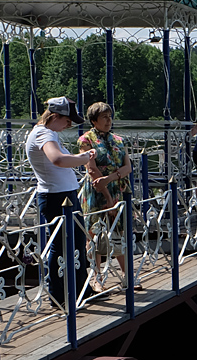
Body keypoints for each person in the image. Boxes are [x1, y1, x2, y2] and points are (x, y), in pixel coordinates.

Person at [25, 96, 95, 308]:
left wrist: (80, 157)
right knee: (60, 246)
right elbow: (57, 159)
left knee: (75, 244)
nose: (69, 125)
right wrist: (84, 158)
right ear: (55, 116)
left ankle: (81, 290)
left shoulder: (49, 133)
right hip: (56, 197)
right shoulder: (43, 134)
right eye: (67, 120)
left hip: (64, 195)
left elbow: (60, 160)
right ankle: (59, 295)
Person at [78, 102, 134, 292]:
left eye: (110, 116)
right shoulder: (86, 140)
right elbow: (91, 168)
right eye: (104, 117)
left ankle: (128, 275)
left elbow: (128, 167)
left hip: (117, 187)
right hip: (97, 190)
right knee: (93, 232)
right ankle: (96, 277)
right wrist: (106, 194)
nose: (108, 120)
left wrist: (111, 178)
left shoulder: (118, 140)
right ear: (94, 120)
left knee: (118, 230)